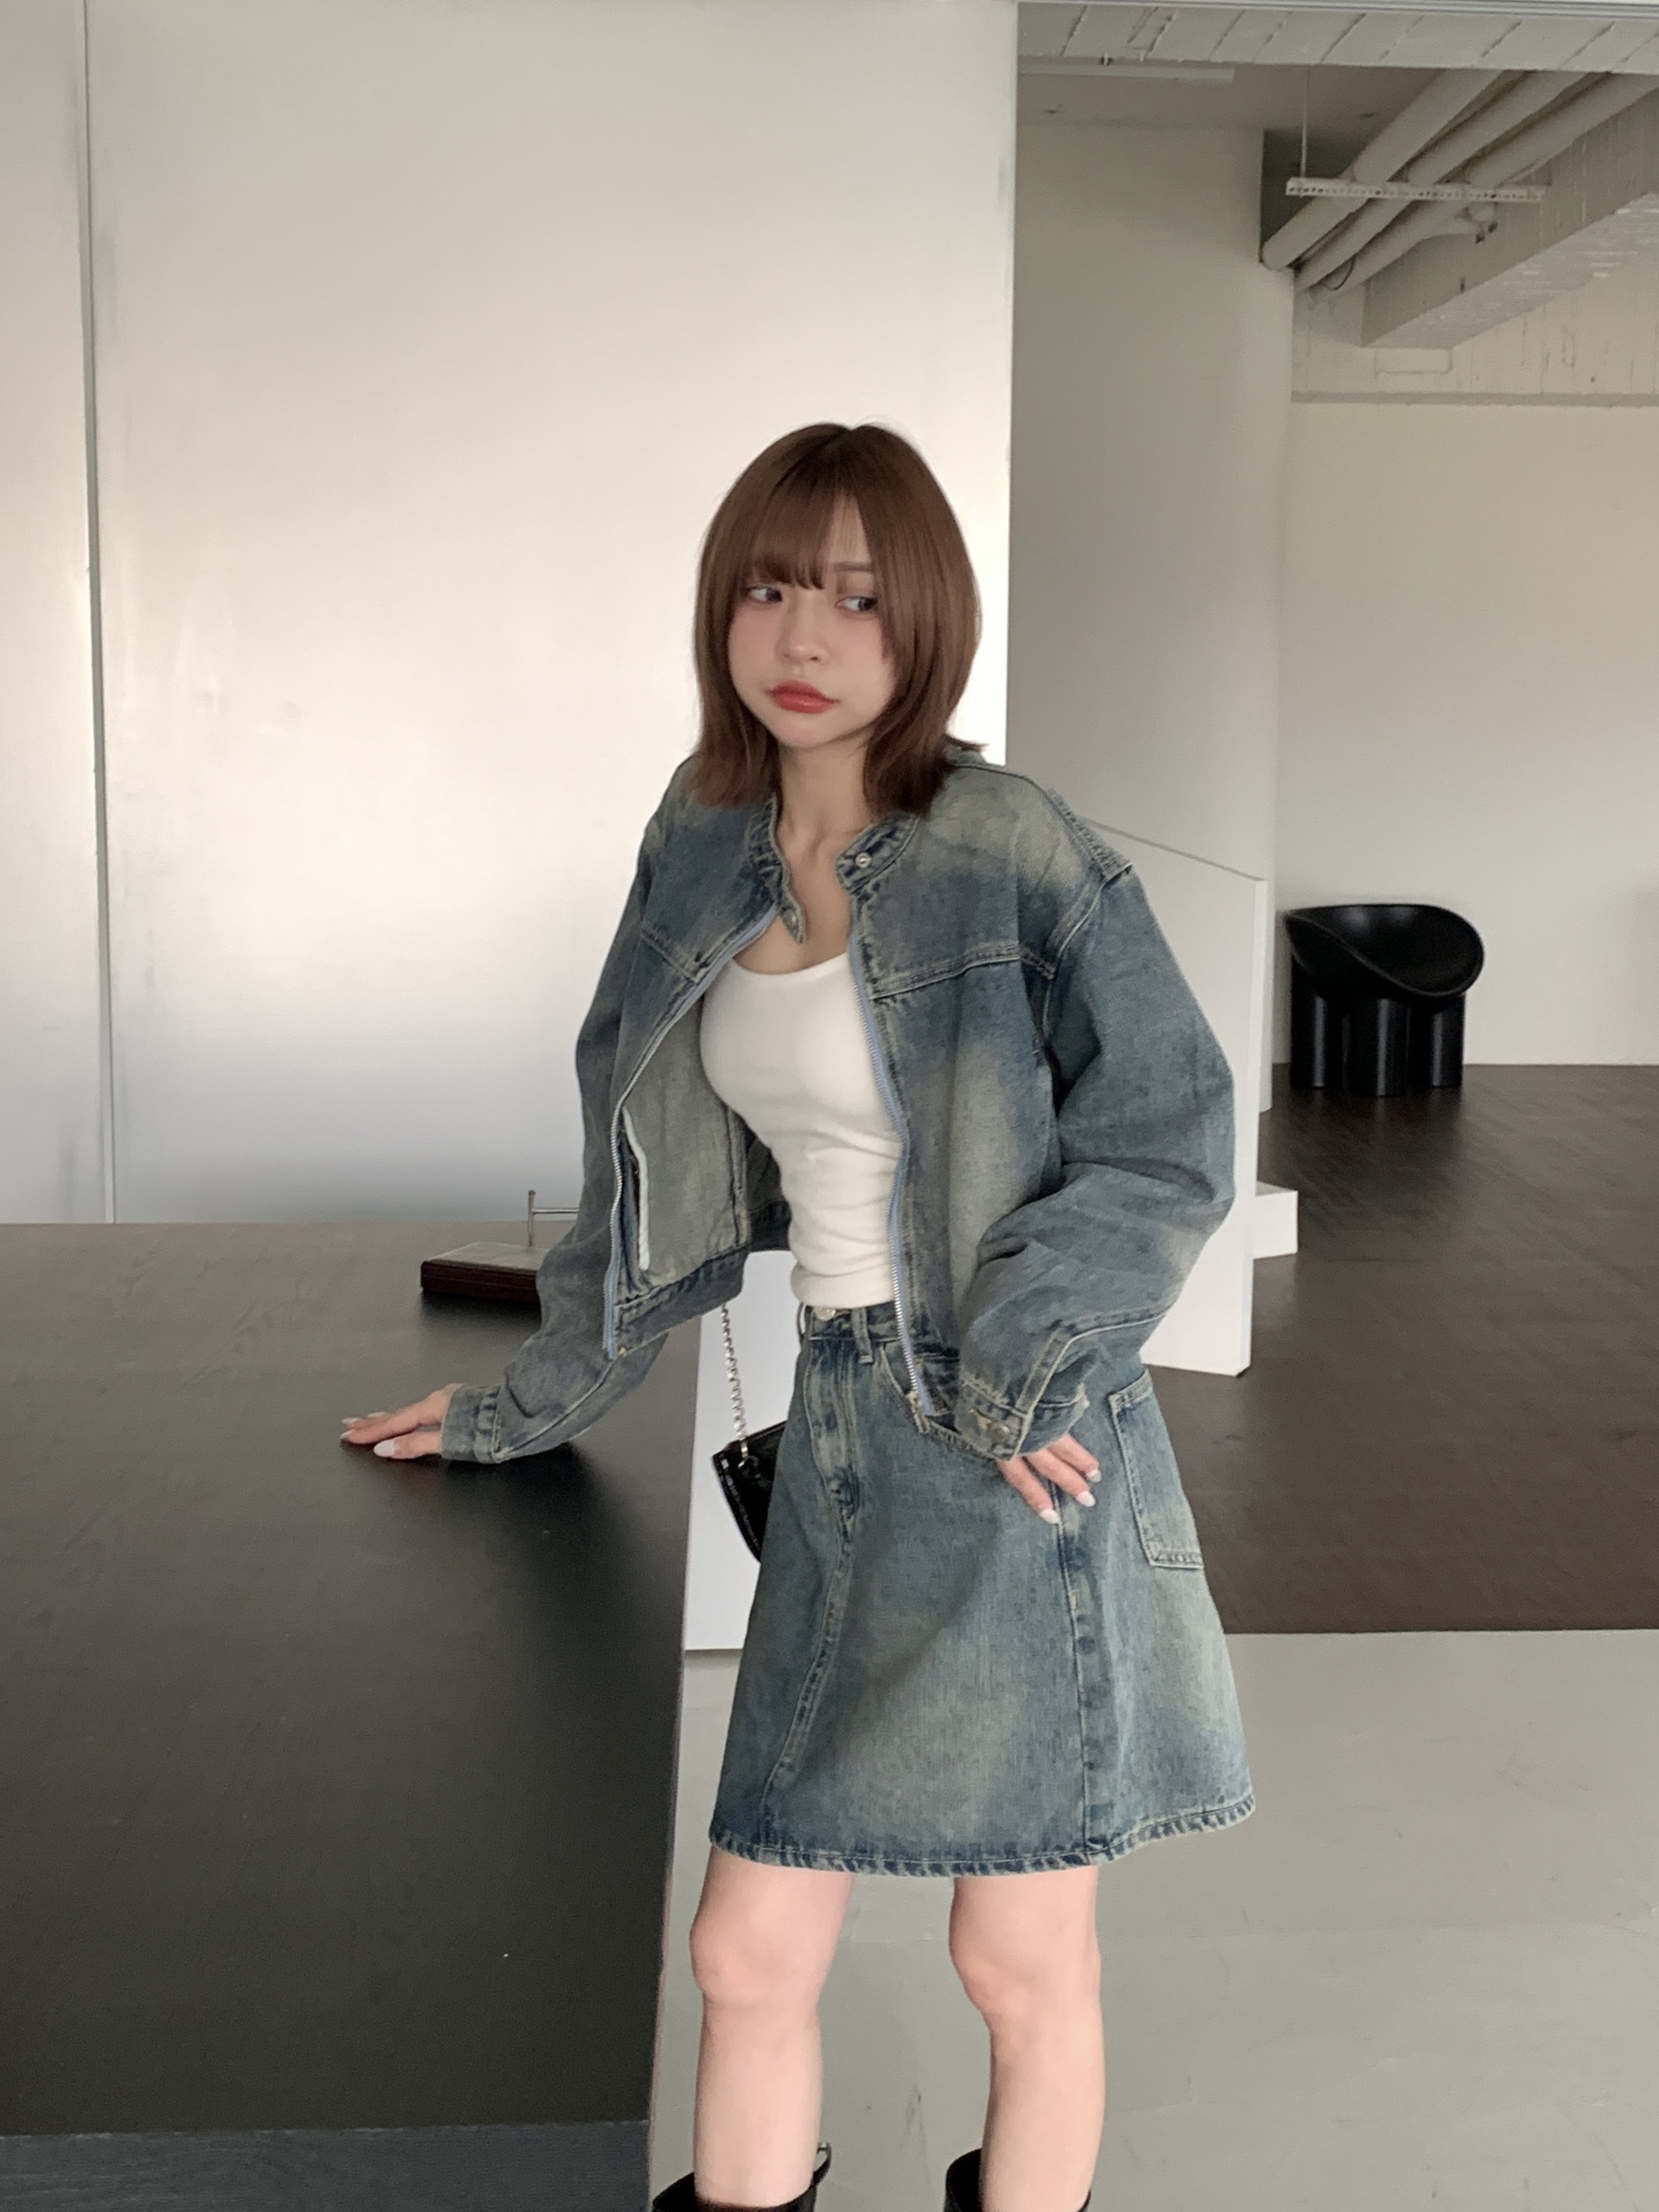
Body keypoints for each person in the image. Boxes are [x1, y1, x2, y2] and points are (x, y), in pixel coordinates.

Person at [343, 423, 1252, 2212]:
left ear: (927, 620)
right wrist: (528, 1398)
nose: (805, 633)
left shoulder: (1007, 844)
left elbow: (1172, 1127)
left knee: (1019, 1962)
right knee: (746, 1954)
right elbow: (626, 1157)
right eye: (768, 587)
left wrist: (1033, 1362)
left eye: (856, 595)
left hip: (1008, 1442)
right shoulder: (700, 843)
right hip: (839, 1436)